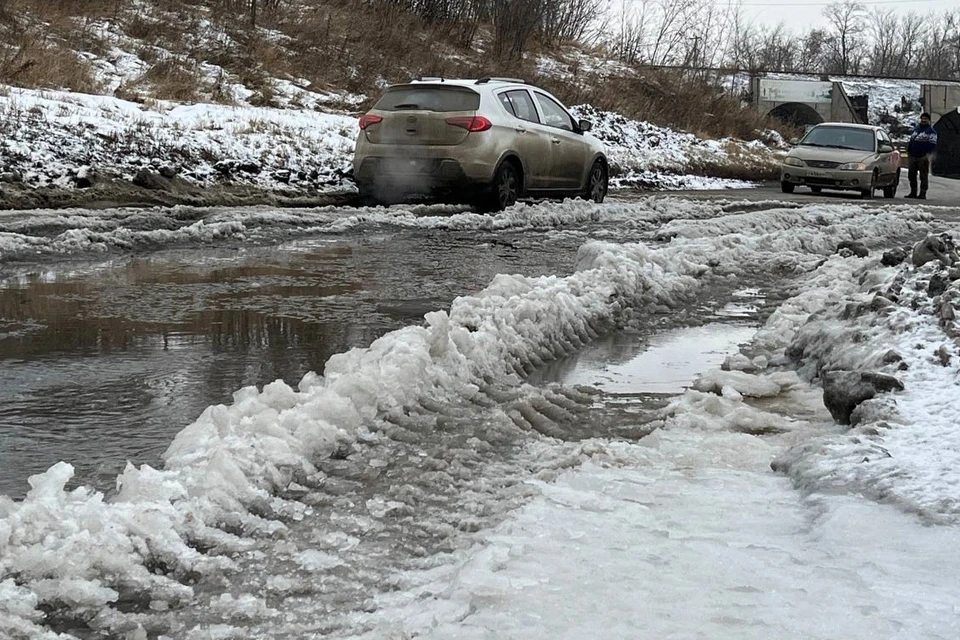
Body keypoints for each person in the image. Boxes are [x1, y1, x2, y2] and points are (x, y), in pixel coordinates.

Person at [905, 112, 938, 200]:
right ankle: (913, 192)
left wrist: (926, 154)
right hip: (913, 156)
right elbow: (912, 140)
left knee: (923, 176)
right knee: (911, 175)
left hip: (922, 157)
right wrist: (909, 151)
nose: (923, 120)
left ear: (929, 121)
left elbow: (932, 144)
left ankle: (922, 193)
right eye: (922, 118)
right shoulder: (916, 129)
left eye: (925, 119)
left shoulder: (931, 132)